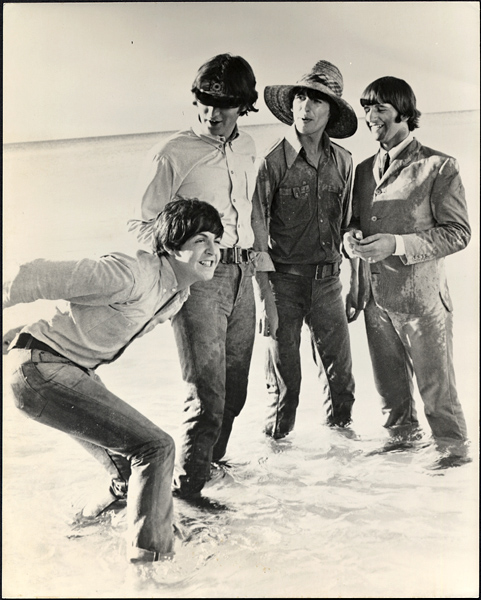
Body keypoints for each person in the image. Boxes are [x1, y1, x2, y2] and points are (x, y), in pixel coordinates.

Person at [3, 198, 224, 563]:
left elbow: (88, 321)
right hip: (40, 371)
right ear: (171, 244)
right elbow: (34, 276)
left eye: (216, 240)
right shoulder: (131, 273)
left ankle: (74, 533)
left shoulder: (176, 294)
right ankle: (149, 568)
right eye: (201, 240)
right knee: (155, 448)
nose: (213, 250)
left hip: (65, 370)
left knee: (129, 475)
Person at [127, 53, 274, 500]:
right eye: (204, 103)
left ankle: (206, 472)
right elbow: (140, 225)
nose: (212, 114)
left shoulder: (248, 147)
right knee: (205, 395)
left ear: (243, 106)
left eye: (224, 106)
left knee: (235, 392)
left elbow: (249, 213)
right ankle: (187, 496)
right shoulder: (172, 153)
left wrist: (261, 275)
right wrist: (173, 272)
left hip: (241, 272)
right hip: (197, 282)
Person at [344, 76, 471, 464]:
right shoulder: (362, 169)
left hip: (422, 303)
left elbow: (458, 233)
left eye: (379, 108)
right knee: (392, 402)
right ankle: (401, 483)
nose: (370, 117)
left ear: (404, 112)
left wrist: (396, 245)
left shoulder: (439, 165)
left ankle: (452, 472)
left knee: (440, 401)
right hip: (374, 302)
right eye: (367, 108)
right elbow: (354, 221)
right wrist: (350, 240)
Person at [252, 60, 360, 439]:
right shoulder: (272, 161)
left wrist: (356, 282)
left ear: (331, 112)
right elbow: (256, 233)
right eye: (300, 97)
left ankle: (340, 466)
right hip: (284, 287)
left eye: (316, 100)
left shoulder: (344, 161)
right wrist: (264, 296)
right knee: (285, 391)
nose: (305, 107)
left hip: (330, 285)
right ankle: (277, 473)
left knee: (342, 386)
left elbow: (350, 228)